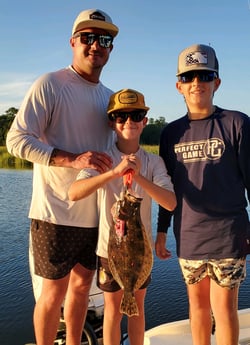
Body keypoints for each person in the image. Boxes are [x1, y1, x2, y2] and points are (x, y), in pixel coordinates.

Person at [6, 8, 119, 345]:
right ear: (73, 41)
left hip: (94, 216)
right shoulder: (51, 84)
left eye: (104, 39)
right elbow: (16, 140)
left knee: (83, 287)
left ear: (111, 48)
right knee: (52, 295)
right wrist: (72, 159)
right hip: (53, 214)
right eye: (87, 38)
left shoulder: (109, 98)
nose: (95, 45)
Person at [155, 43, 250, 345]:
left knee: (224, 309)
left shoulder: (236, 123)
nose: (197, 83)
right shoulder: (171, 133)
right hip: (189, 235)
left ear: (216, 83)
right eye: (189, 76)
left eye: (205, 76)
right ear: (178, 86)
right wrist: (161, 230)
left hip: (229, 235)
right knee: (197, 308)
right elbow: (166, 186)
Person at [68, 88, 177, 345]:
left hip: (141, 252)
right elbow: (74, 193)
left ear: (145, 121)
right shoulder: (102, 159)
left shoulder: (153, 163)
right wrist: (114, 173)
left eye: (136, 115)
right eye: (121, 117)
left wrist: (138, 176)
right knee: (113, 309)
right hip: (109, 251)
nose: (129, 121)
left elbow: (170, 203)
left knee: (137, 307)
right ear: (112, 122)